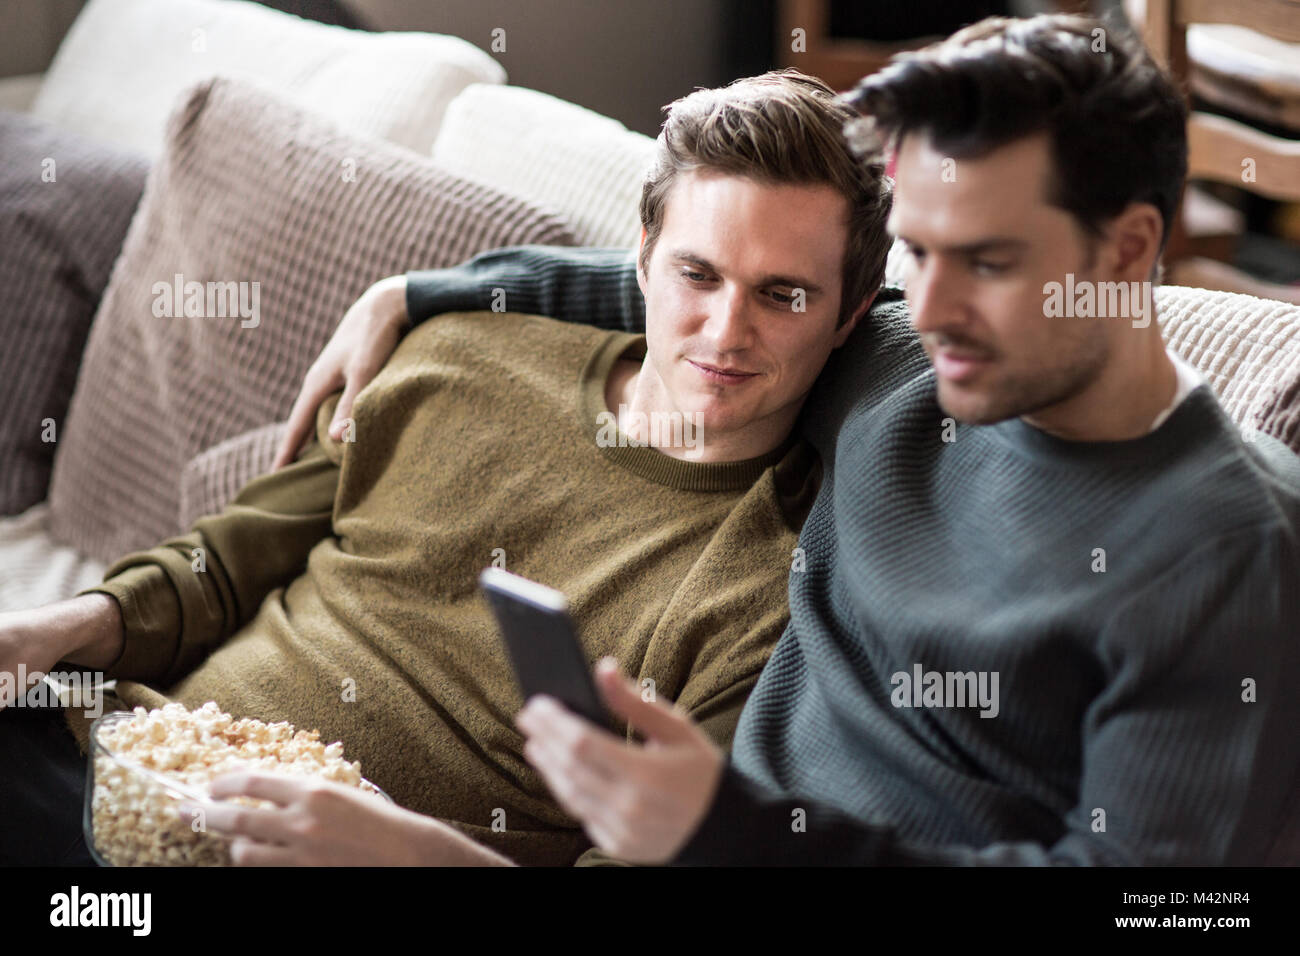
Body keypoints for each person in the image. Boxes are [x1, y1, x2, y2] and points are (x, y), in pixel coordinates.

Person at [263, 13, 1300, 866]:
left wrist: (725, 827)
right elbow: (706, 295)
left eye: (984, 260)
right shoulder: (913, 365)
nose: (928, 306)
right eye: (918, 254)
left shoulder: (1220, 552)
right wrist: (419, 291)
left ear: (1125, 251)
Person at [0, 69, 891, 866]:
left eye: (783, 295)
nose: (726, 333)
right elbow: (219, 569)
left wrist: (410, 855)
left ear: (851, 313)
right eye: (698, 273)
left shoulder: (779, 585)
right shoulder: (457, 352)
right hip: (117, 764)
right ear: (645, 253)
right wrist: (55, 630)